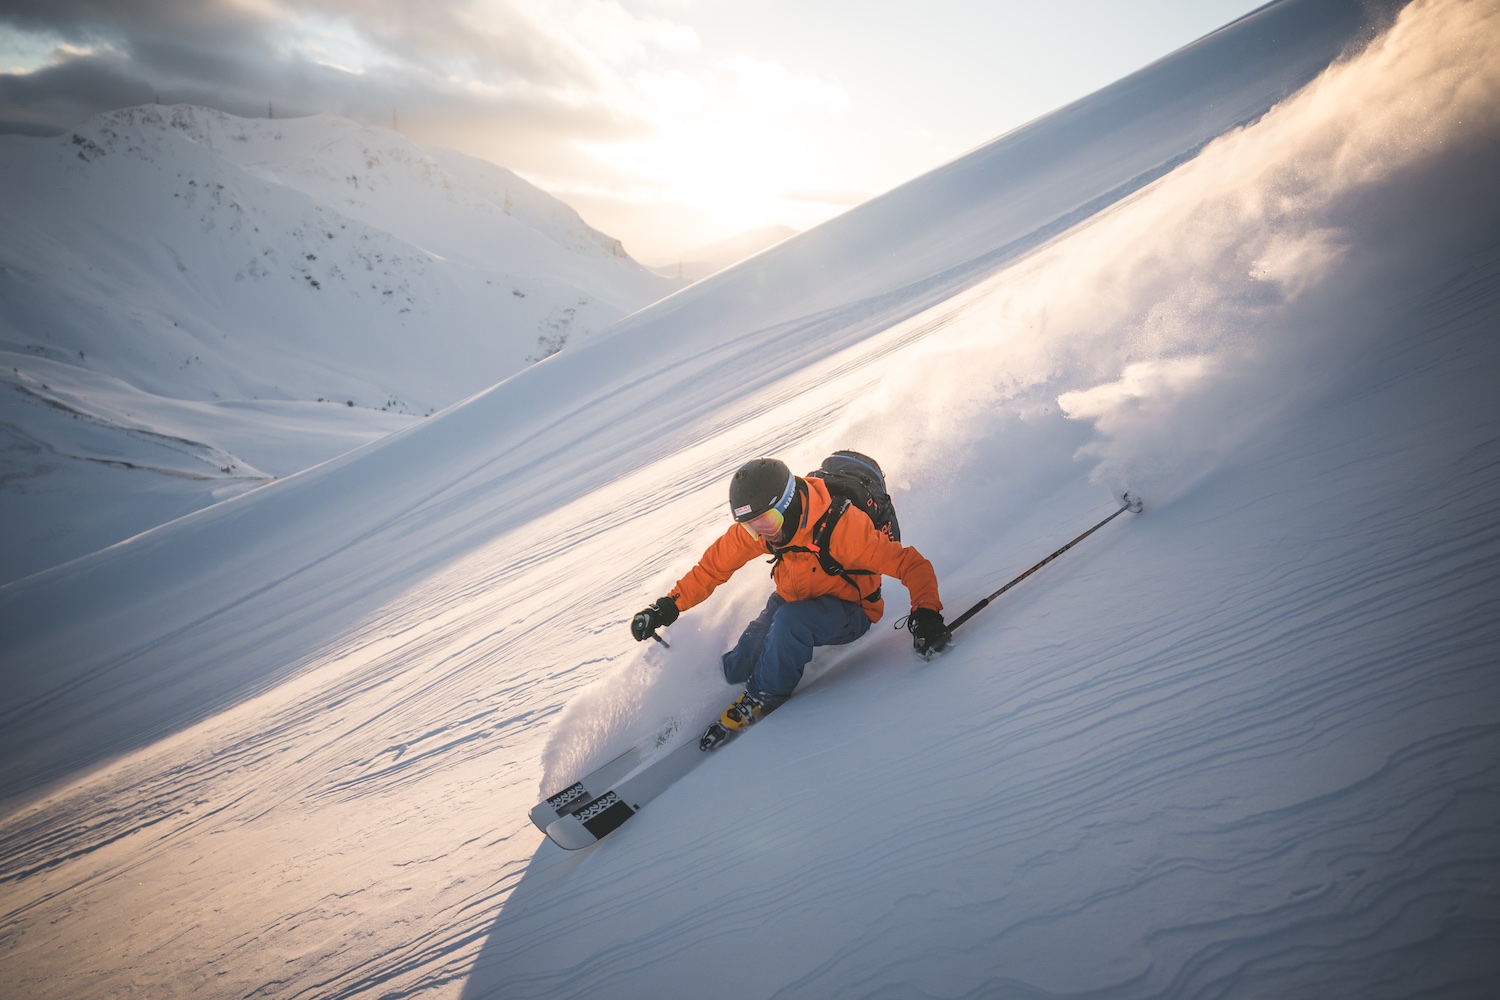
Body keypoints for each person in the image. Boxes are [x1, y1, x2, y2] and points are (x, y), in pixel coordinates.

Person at [631, 456, 951, 749]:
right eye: (752, 528)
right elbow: (713, 567)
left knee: (790, 624)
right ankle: (720, 690)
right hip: (792, 598)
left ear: (789, 504)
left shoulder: (843, 529)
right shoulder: (766, 527)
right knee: (745, 657)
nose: (762, 537)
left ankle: (762, 695)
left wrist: (926, 613)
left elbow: (912, 565)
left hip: (850, 609)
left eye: (766, 524)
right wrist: (667, 606)